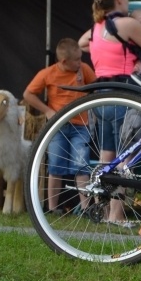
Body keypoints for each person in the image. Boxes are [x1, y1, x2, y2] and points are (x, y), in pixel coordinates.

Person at [78, 0, 141, 225]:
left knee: (107, 158)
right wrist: (134, 51)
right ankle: (116, 216)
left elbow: (81, 44)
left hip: (100, 98)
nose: (127, 1)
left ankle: (101, 211)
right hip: (123, 95)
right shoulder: (126, 24)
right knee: (124, 160)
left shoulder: (96, 28)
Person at [22, 38, 97, 215]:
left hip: (81, 125)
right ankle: (52, 208)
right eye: (77, 60)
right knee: (55, 165)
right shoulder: (48, 73)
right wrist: (47, 110)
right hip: (58, 126)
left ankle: (85, 208)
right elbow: (28, 94)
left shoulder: (83, 70)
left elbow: (97, 88)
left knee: (81, 164)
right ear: (64, 61)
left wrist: (84, 84)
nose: (81, 62)